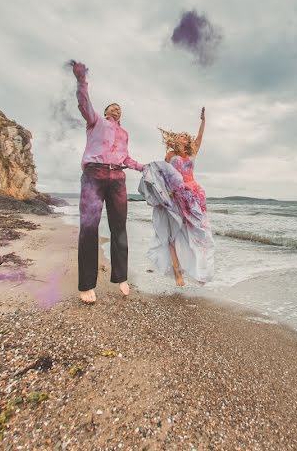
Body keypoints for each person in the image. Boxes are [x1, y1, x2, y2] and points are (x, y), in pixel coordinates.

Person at [73, 61, 146, 304]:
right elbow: (84, 103)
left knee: (119, 228)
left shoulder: (124, 134)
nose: (116, 109)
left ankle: (121, 277)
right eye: (112, 107)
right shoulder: (95, 121)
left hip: (118, 179)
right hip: (94, 175)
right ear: (105, 112)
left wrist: (145, 167)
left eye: (119, 108)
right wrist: (81, 80)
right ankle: (86, 285)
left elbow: (126, 158)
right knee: (89, 228)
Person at [139, 107, 215, 286]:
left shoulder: (192, 153)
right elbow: (164, 175)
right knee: (173, 233)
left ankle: (200, 271)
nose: (184, 137)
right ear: (175, 139)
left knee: (198, 232)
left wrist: (203, 121)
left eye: (185, 136)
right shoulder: (170, 155)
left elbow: (200, 138)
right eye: (181, 135)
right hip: (175, 196)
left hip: (193, 196)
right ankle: (177, 273)